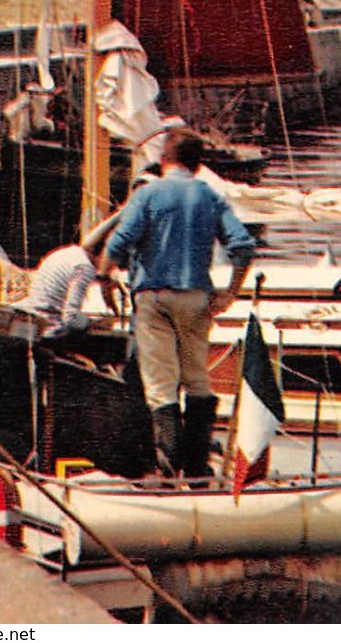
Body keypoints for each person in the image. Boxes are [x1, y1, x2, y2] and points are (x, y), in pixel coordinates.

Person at [97, 129, 256, 478]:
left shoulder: (148, 194)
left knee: (160, 386)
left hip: (153, 296)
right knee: (197, 379)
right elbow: (243, 246)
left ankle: (169, 469)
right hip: (197, 296)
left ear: (165, 160)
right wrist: (230, 292)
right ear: (197, 164)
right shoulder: (210, 195)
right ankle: (197, 466)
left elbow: (119, 241)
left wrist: (104, 276)